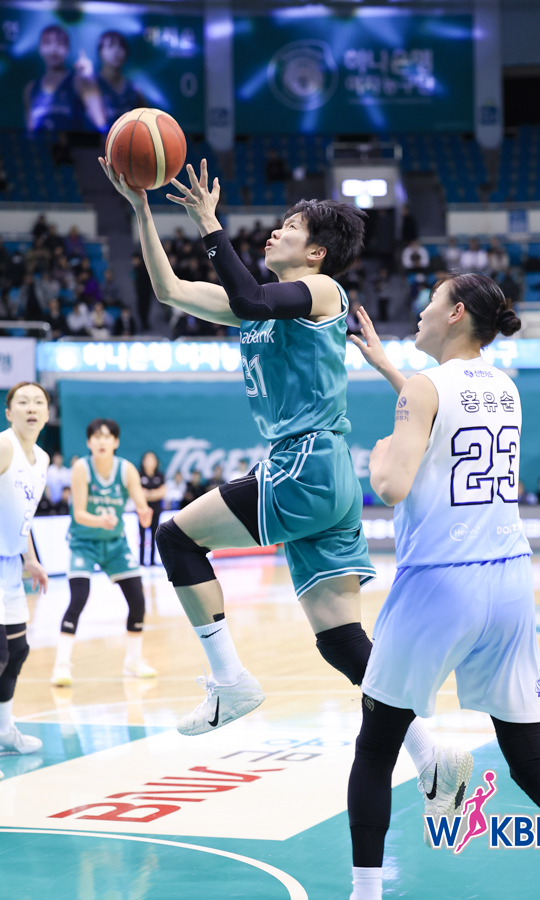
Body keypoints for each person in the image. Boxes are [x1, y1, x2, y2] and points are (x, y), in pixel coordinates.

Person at [99, 154, 472, 815]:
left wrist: (210, 223)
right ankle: (431, 754)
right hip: (324, 478)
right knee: (341, 641)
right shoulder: (259, 306)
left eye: (290, 227)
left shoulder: (323, 292)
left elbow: (248, 296)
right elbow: (170, 290)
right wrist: (142, 211)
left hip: (305, 464)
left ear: (317, 252)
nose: (274, 232)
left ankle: (229, 679)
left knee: (176, 537)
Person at [345, 276, 540, 899]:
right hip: (509, 581)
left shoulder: (427, 388)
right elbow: (445, 417)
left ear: (456, 313)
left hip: (440, 582)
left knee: (376, 747)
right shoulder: (505, 388)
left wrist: (378, 457)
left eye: (431, 300)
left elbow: (393, 485)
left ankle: (365, 892)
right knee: (534, 762)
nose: (420, 309)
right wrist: (388, 368)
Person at [50, 418, 156, 686]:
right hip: (83, 543)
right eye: (96, 437)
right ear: (88, 442)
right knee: (78, 598)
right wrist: (101, 521)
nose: (101, 441)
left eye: (107, 436)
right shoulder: (81, 468)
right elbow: (79, 513)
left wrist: (144, 514)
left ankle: (133, 660)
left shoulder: (126, 469)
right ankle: (61, 666)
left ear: (116, 441)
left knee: (138, 600)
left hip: (115, 544)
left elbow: (141, 506)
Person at [0, 382, 50, 770]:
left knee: (16, 652)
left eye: (38, 402)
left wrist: (30, 558)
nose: (31, 407)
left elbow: (24, 514)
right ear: (8, 412)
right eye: (23, 402)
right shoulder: (4, 447)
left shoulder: (42, 459)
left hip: (12, 568)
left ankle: (4, 730)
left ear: (47, 414)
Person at [24, 25, 105, 133]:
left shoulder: (78, 82)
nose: (53, 50)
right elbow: (29, 129)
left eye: (60, 44)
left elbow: (100, 122)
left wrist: (89, 79)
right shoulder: (31, 88)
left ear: (68, 48)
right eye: (47, 43)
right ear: (40, 47)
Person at [96, 31, 145, 130]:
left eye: (121, 46)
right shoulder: (90, 84)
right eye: (110, 46)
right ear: (100, 52)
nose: (116, 51)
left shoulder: (133, 89)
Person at [139, 451, 166, 567]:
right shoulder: (139, 475)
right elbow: (138, 492)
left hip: (156, 510)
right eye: (147, 459)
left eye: (152, 459)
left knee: (155, 535)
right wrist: (154, 493)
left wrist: (148, 493)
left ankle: (152, 561)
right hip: (142, 511)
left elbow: (163, 492)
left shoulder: (160, 476)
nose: (150, 462)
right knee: (142, 536)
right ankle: (141, 561)